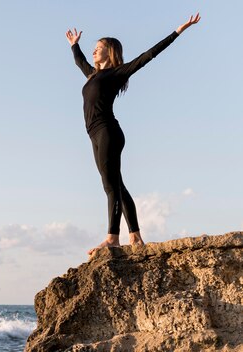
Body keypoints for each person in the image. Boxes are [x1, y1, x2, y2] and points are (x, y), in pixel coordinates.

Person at [65, 13, 201, 255]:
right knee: (117, 184)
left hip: (108, 131)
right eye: (94, 48)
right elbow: (80, 62)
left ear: (111, 51)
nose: (94, 51)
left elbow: (147, 56)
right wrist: (74, 45)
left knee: (110, 186)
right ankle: (135, 236)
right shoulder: (93, 75)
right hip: (95, 134)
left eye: (99, 48)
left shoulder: (117, 73)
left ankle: (112, 238)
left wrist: (177, 32)